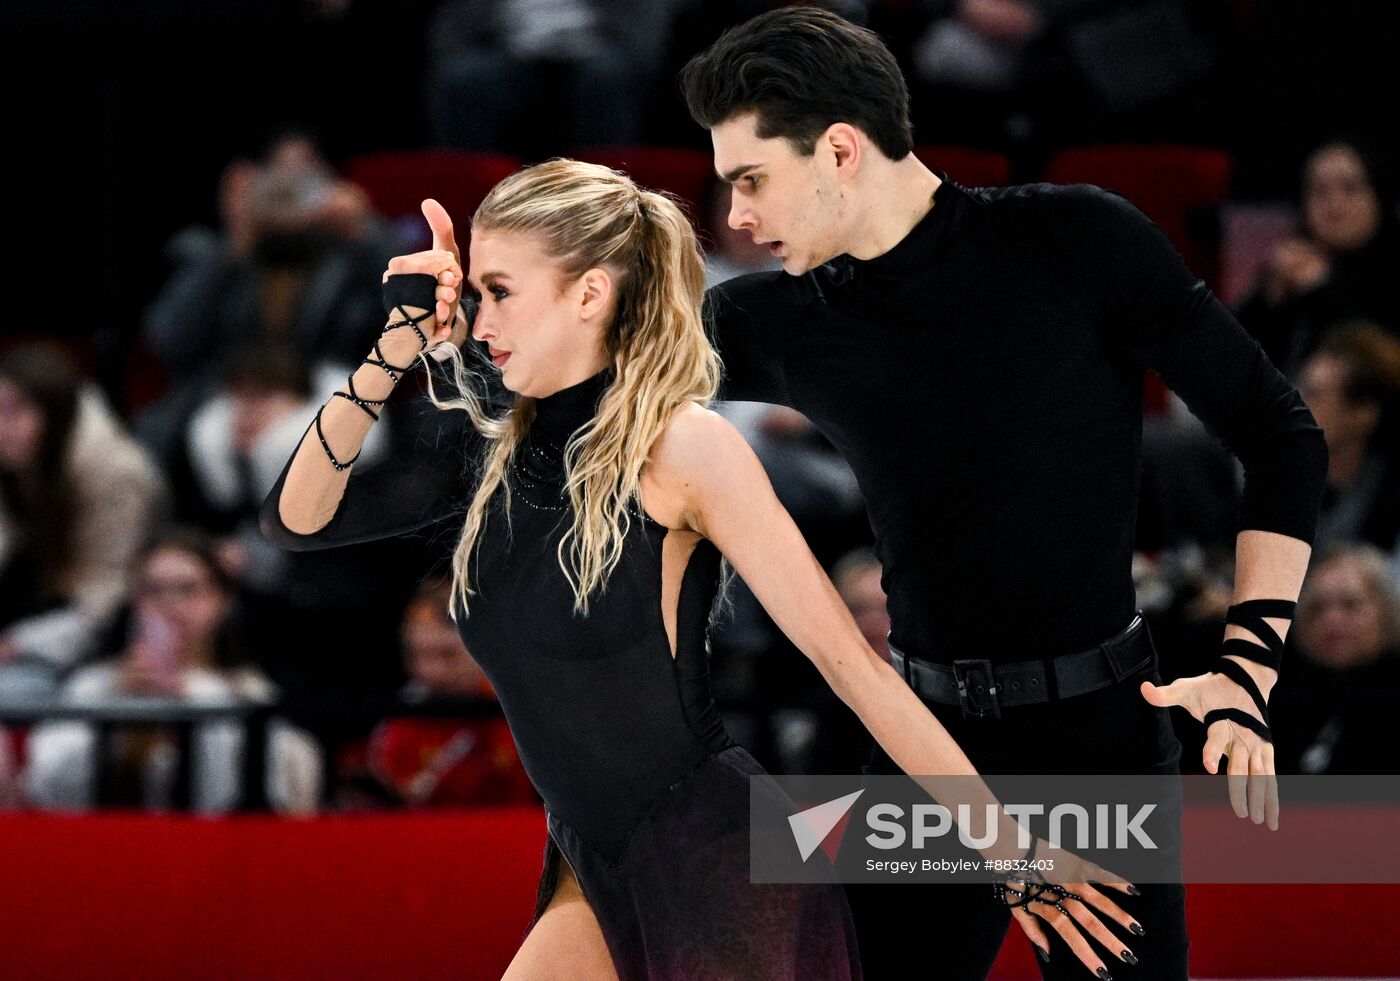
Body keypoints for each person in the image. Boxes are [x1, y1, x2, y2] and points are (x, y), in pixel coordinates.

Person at [260, 161, 1140, 979]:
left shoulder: (684, 448)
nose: (478, 320)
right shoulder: (495, 452)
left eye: (498, 291)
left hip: (715, 861)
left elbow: (852, 667)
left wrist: (1011, 853)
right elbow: (298, 519)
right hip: (590, 857)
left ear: (589, 293)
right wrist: (394, 350)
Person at [679, 7, 1328, 979]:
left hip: (1095, 739)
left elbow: (1278, 434)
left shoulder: (1076, 240)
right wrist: (444, 338)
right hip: (919, 747)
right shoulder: (778, 318)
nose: (734, 216)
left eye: (750, 179)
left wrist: (1246, 670)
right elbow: (574, 370)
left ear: (841, 150)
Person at [23, 527, 321, 814]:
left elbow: (251, 801)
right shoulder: (93, 685)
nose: (170, 604)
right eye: (153, 590)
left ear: (221, 601)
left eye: (188, 590)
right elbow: (48, 793)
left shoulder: (249, 692)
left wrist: (191, 697)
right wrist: (118, 708)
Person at [1235, 138, 1400, 380]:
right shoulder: (1292, 271)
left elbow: (1381, 369)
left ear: (1378, 196)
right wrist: (1270, 299)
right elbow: (1229, 363)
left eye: (1350, 188)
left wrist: (1322, 292)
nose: (1334, 205)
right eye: (1319, 191)